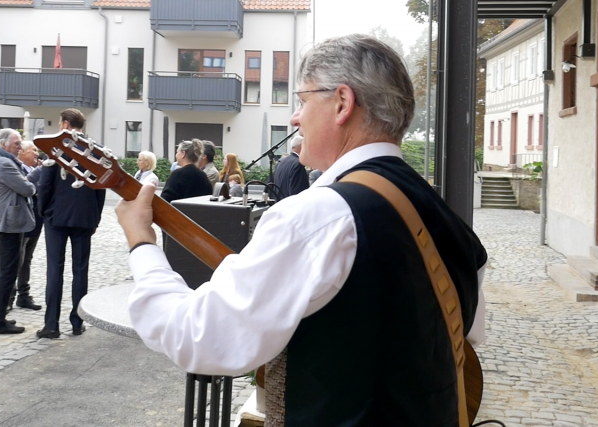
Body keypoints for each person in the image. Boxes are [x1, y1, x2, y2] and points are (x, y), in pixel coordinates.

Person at [117, 34, 489, 425]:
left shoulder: (317, 215)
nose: (295, 117)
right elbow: (465, 336)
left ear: (342, 103)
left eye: (303, 100)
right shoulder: (447, 218)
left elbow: (202, 337)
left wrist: (141, 242)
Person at [36, 108, 107, 339]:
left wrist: (43, 210)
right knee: (80, 270)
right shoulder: (94, 150)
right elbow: (101, 186)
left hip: (56, 216)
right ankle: (78, 322)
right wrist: (95, 217)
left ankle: (51, 325)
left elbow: (45, 184)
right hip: (84, 217)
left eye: (59, 123)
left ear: (66, 124)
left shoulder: (56, 148)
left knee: (54, 270)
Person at [0, 129, 34, 335]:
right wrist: (38, 173)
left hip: (5, 222)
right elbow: (28, 189)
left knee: (0, 271)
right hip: (10, 224)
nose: (20, 147)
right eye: (16, 143)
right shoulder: (3, 164)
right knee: (7, 273)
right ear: (4, 144)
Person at [10, 140, 43, 312]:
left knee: (27, 259)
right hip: (21, 220)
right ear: (21, 152)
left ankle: (23, 295)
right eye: (33, 150)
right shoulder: (16, 169)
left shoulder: (38, 170)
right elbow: (26, 189)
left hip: (36, 220)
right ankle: (9, 296)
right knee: (17, 259)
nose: (37, 154)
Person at [271, 134, 310, 201]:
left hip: (279, 205)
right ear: (301, 145)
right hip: (292, 207)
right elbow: (298, 192)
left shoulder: (281, 162)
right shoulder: (298, 164)